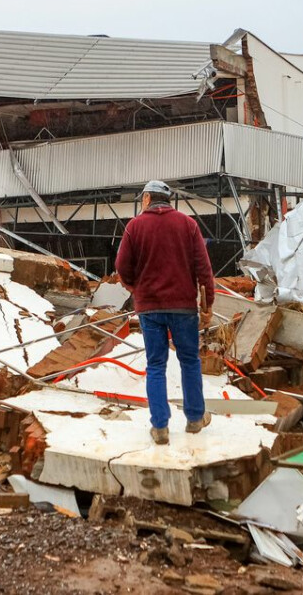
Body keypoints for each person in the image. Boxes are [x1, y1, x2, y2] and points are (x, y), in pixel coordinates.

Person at [115, 180, 215, 445]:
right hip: (183, 306)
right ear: (167, 200)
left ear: (147, 198)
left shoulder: (135, 227)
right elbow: (204, 269)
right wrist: (208, 305)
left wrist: (137, 289)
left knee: (156, 365)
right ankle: (195, 419)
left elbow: (122, 266)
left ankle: (160, 427)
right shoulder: (188, 224)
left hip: (150, 308)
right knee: (190, 360)